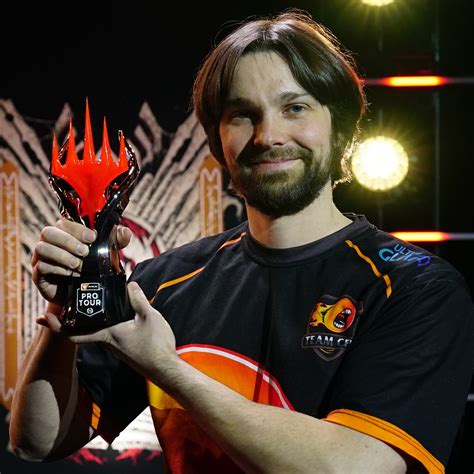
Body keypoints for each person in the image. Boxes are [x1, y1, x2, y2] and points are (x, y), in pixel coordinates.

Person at [9, 10, 473, 474]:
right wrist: (65, 306)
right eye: (243, 115)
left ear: (342, 126)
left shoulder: (414, 288)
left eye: (295, 108)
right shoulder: (164, 282)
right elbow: (37, 441)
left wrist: (166, 368)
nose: (268, 136)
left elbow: (353, 467)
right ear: (218, 139)